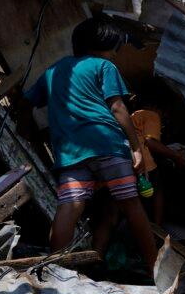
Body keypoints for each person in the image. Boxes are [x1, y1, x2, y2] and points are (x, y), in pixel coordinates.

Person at [21, 16, 157, 271]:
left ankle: (55, 271)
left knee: (69, 207)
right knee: (131, 204)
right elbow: (117, 107)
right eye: (114, 47)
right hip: (107, 145)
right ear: (103, 44)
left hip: (70, 153)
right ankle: (155, 268)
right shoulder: (104, 66)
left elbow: (25, 103)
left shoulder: (53, 71)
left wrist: (28, 133)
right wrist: (136, 147)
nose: (115, 54)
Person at [130, 103, 185, 227]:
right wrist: (176, 157)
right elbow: (150, 142)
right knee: (157, 190)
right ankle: (157, 227)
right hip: (141, 160)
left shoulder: (135, 117)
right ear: (157, 108)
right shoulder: (151, 115)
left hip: (124, 159)